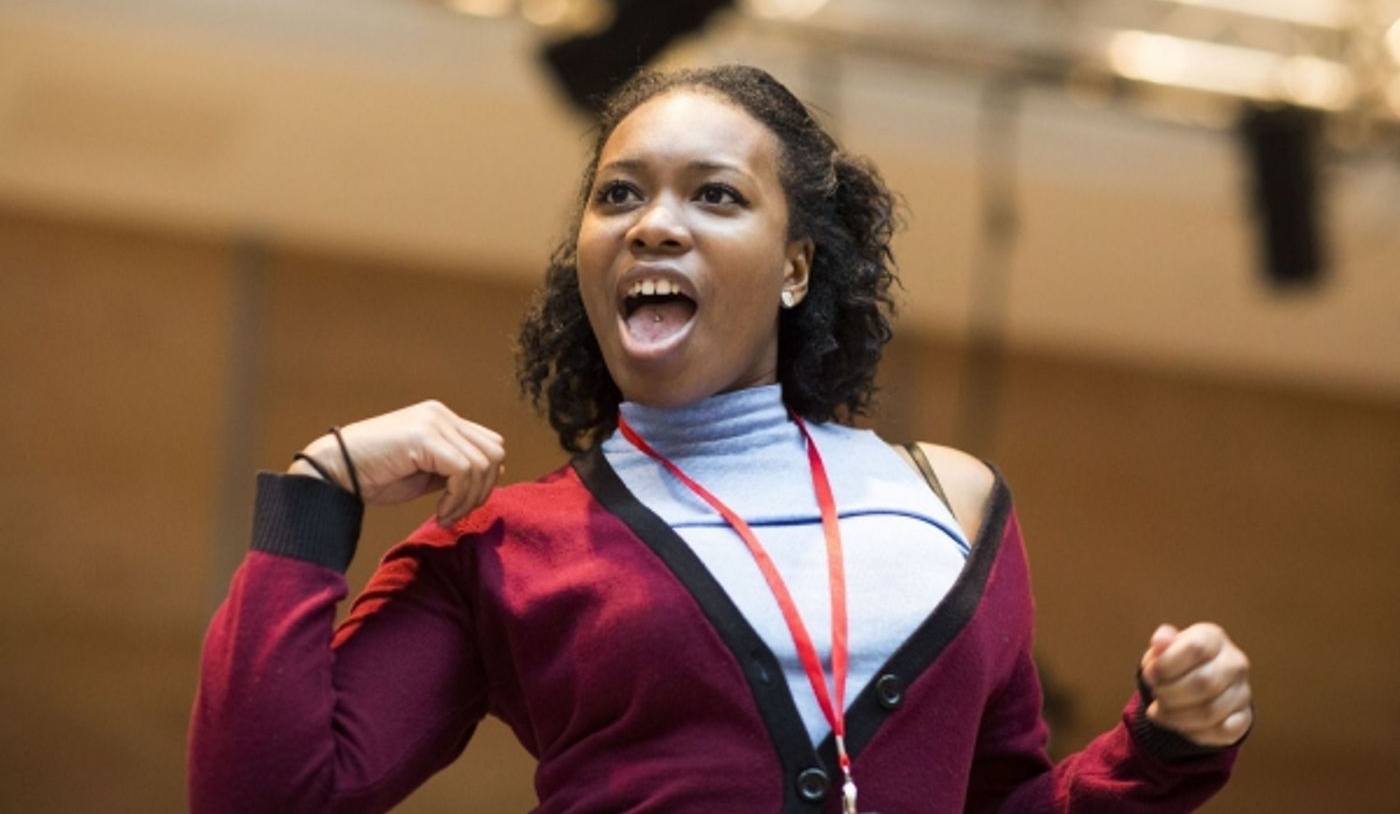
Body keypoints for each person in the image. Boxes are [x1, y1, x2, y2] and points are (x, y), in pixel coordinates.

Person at [189, 65, 1252, 813]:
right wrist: (315, 490)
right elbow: (260, 798)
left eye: (714, 195)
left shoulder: (952, 502)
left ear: (794, 268)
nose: (654, 223)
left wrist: (1159, 750)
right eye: (618, 195)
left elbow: (1003, 802)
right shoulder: (505, 546)